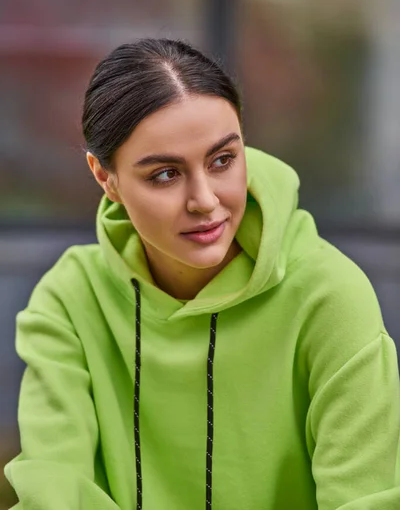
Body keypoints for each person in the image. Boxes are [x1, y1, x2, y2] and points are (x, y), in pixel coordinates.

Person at [4, 38, 400, 510]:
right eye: (165, 174)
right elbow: (55, 492)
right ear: (104, 178)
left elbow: (364, 500)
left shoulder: (329, 296)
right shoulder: (69, 301)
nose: (206, 200)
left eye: (222, 161)